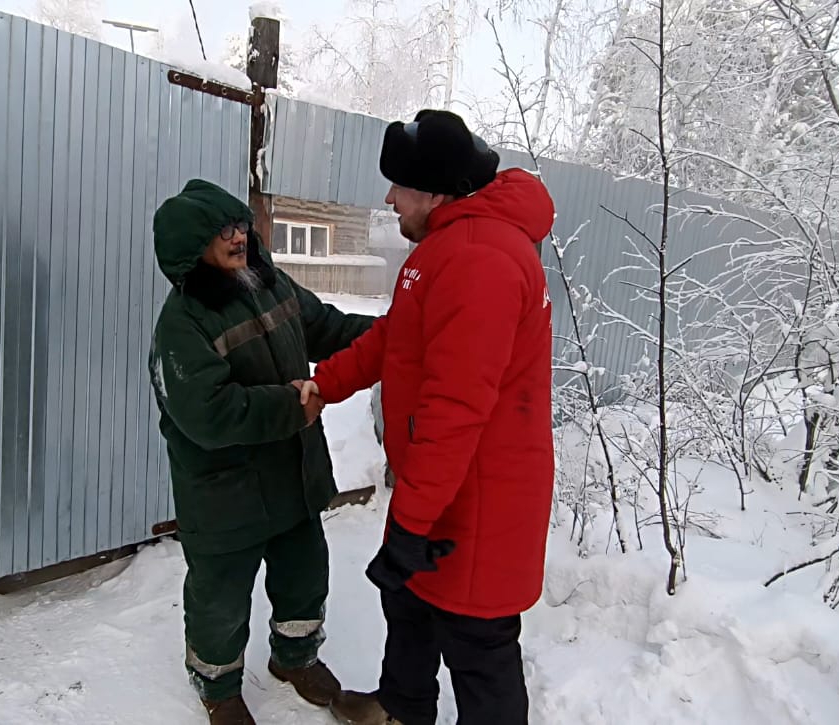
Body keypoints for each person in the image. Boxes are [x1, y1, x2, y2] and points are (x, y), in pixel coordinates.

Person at [300, 110, 557, 725]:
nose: (389, 198)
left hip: (478, 501)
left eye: (400, 185)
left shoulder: (478, 257)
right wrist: (323, 384)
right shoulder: (449, 245)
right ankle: (401, 709)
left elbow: (456, 409)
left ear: (436, 189)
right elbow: (399, 339)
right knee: (409, 604)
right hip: (442, 489)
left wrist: (410, 525)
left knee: (479, 648)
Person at [148, 179, 375, 725]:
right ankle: (219, 685)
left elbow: (326, 327)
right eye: (222, 231)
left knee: (304, 573)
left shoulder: (270, 284)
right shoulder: (182, 324)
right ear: (190, 247)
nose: (238, 236)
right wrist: (293, 407)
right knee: (220, 600)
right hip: (225, 493)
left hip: (291, 475)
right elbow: (209, 413)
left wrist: (392, 336)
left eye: (241, 225)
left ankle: (295, 658)